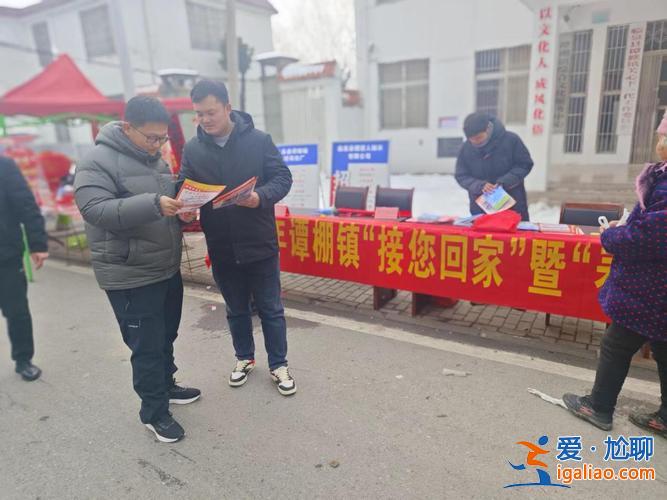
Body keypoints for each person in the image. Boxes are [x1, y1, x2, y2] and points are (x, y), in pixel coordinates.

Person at [74, 96, 200, 443]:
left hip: (165, 267)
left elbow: (164, 209)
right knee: (146, 345)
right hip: (130, 272)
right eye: (151, 137)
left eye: (162, 138)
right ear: (128, 128)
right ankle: (154, 412)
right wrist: (154, 204)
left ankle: (167, 385)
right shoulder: (96, 162)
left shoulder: (156, 161)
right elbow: (95, 210)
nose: (157, 144)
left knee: (166, 335)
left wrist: (182, 212)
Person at [179, 80, 295, 396]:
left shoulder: (258, 141)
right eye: (199, 114)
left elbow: (283, 178)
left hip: (259, 241)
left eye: (211, 112)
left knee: (271, 308)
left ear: (228, 108)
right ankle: (244, 357)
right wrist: (184, 209)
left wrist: (260, 197)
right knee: (236, 308)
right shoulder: (193, 149)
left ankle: (279, 364)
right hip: (221, 244)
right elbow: (184, 185)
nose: (205, 120)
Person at [563, 116, 667, 438]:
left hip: (651, 289)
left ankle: (598, 406)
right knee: (664, 347)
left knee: (616, 345)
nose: (658, 143)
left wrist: (611, 236)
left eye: (662, 136)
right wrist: (626, 225)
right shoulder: (661, 176)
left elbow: (651, 237)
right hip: (657, 288)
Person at [0, 154, 49, 381]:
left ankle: (23, 359)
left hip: (5, 255)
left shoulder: (4, 166)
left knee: (17, 311)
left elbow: (26, 205)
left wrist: (37, 244)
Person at [455, 112, 534, 221]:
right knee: (483, 231)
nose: (475, 142)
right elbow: (461, 175)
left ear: (488, 129)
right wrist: (479, 185)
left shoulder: (511, 140)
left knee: (513, 230)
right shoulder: (466, 148)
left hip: (512, 203)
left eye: (479, 137)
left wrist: (504, 182)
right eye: (471, 139)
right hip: (481, 208)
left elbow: (524, 164)